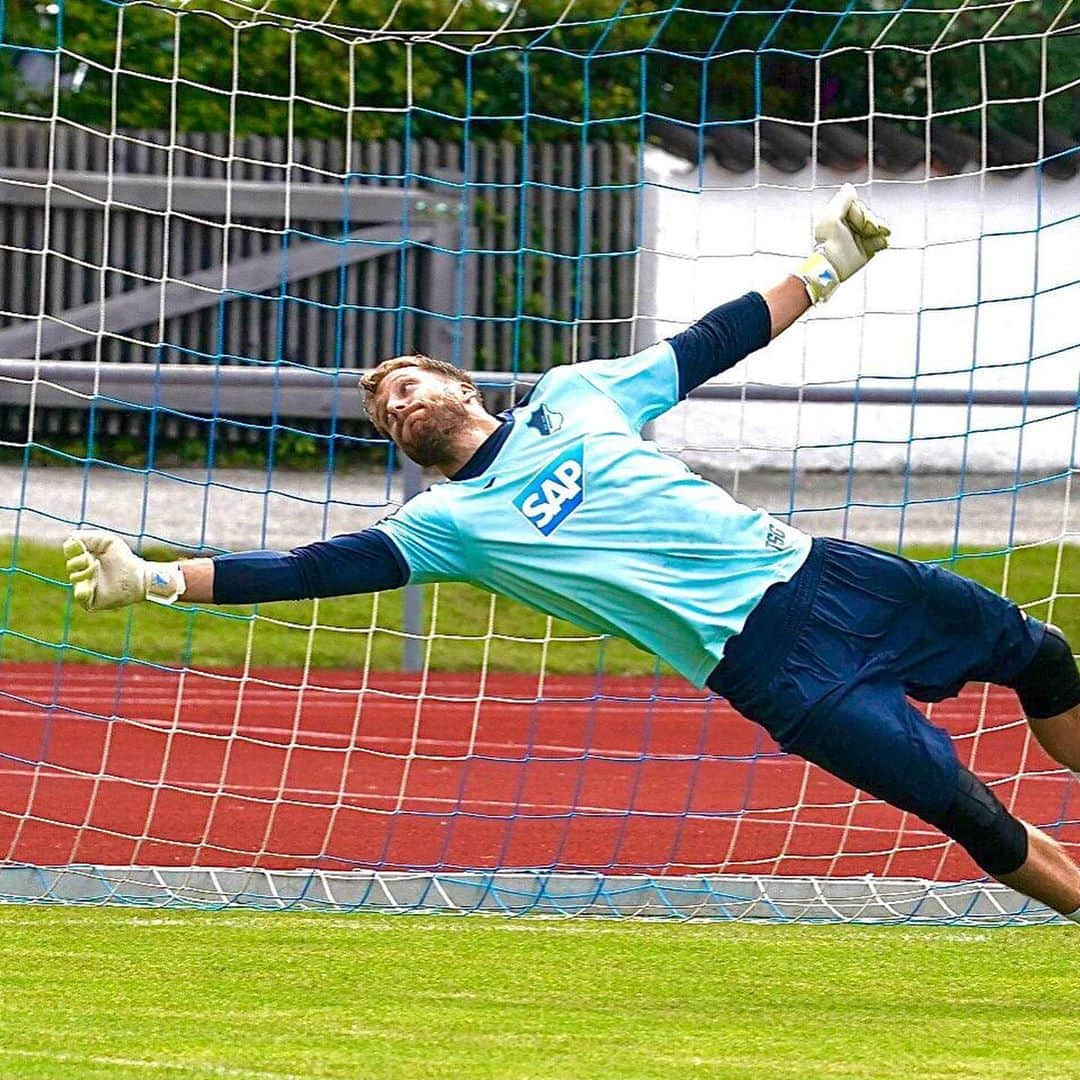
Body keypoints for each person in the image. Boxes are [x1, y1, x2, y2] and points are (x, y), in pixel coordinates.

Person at [64, 185, 1080, 921]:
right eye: (382, 409)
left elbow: (707, 344)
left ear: (460, 385)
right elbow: (301, 571)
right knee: (970, 815)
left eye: (409, 385)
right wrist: (153, 577)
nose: (398, 403)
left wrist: (828, 266)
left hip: (826, 574)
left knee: (1046, 655)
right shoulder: (443, 526)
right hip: (776, 671)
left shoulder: (573, 395)